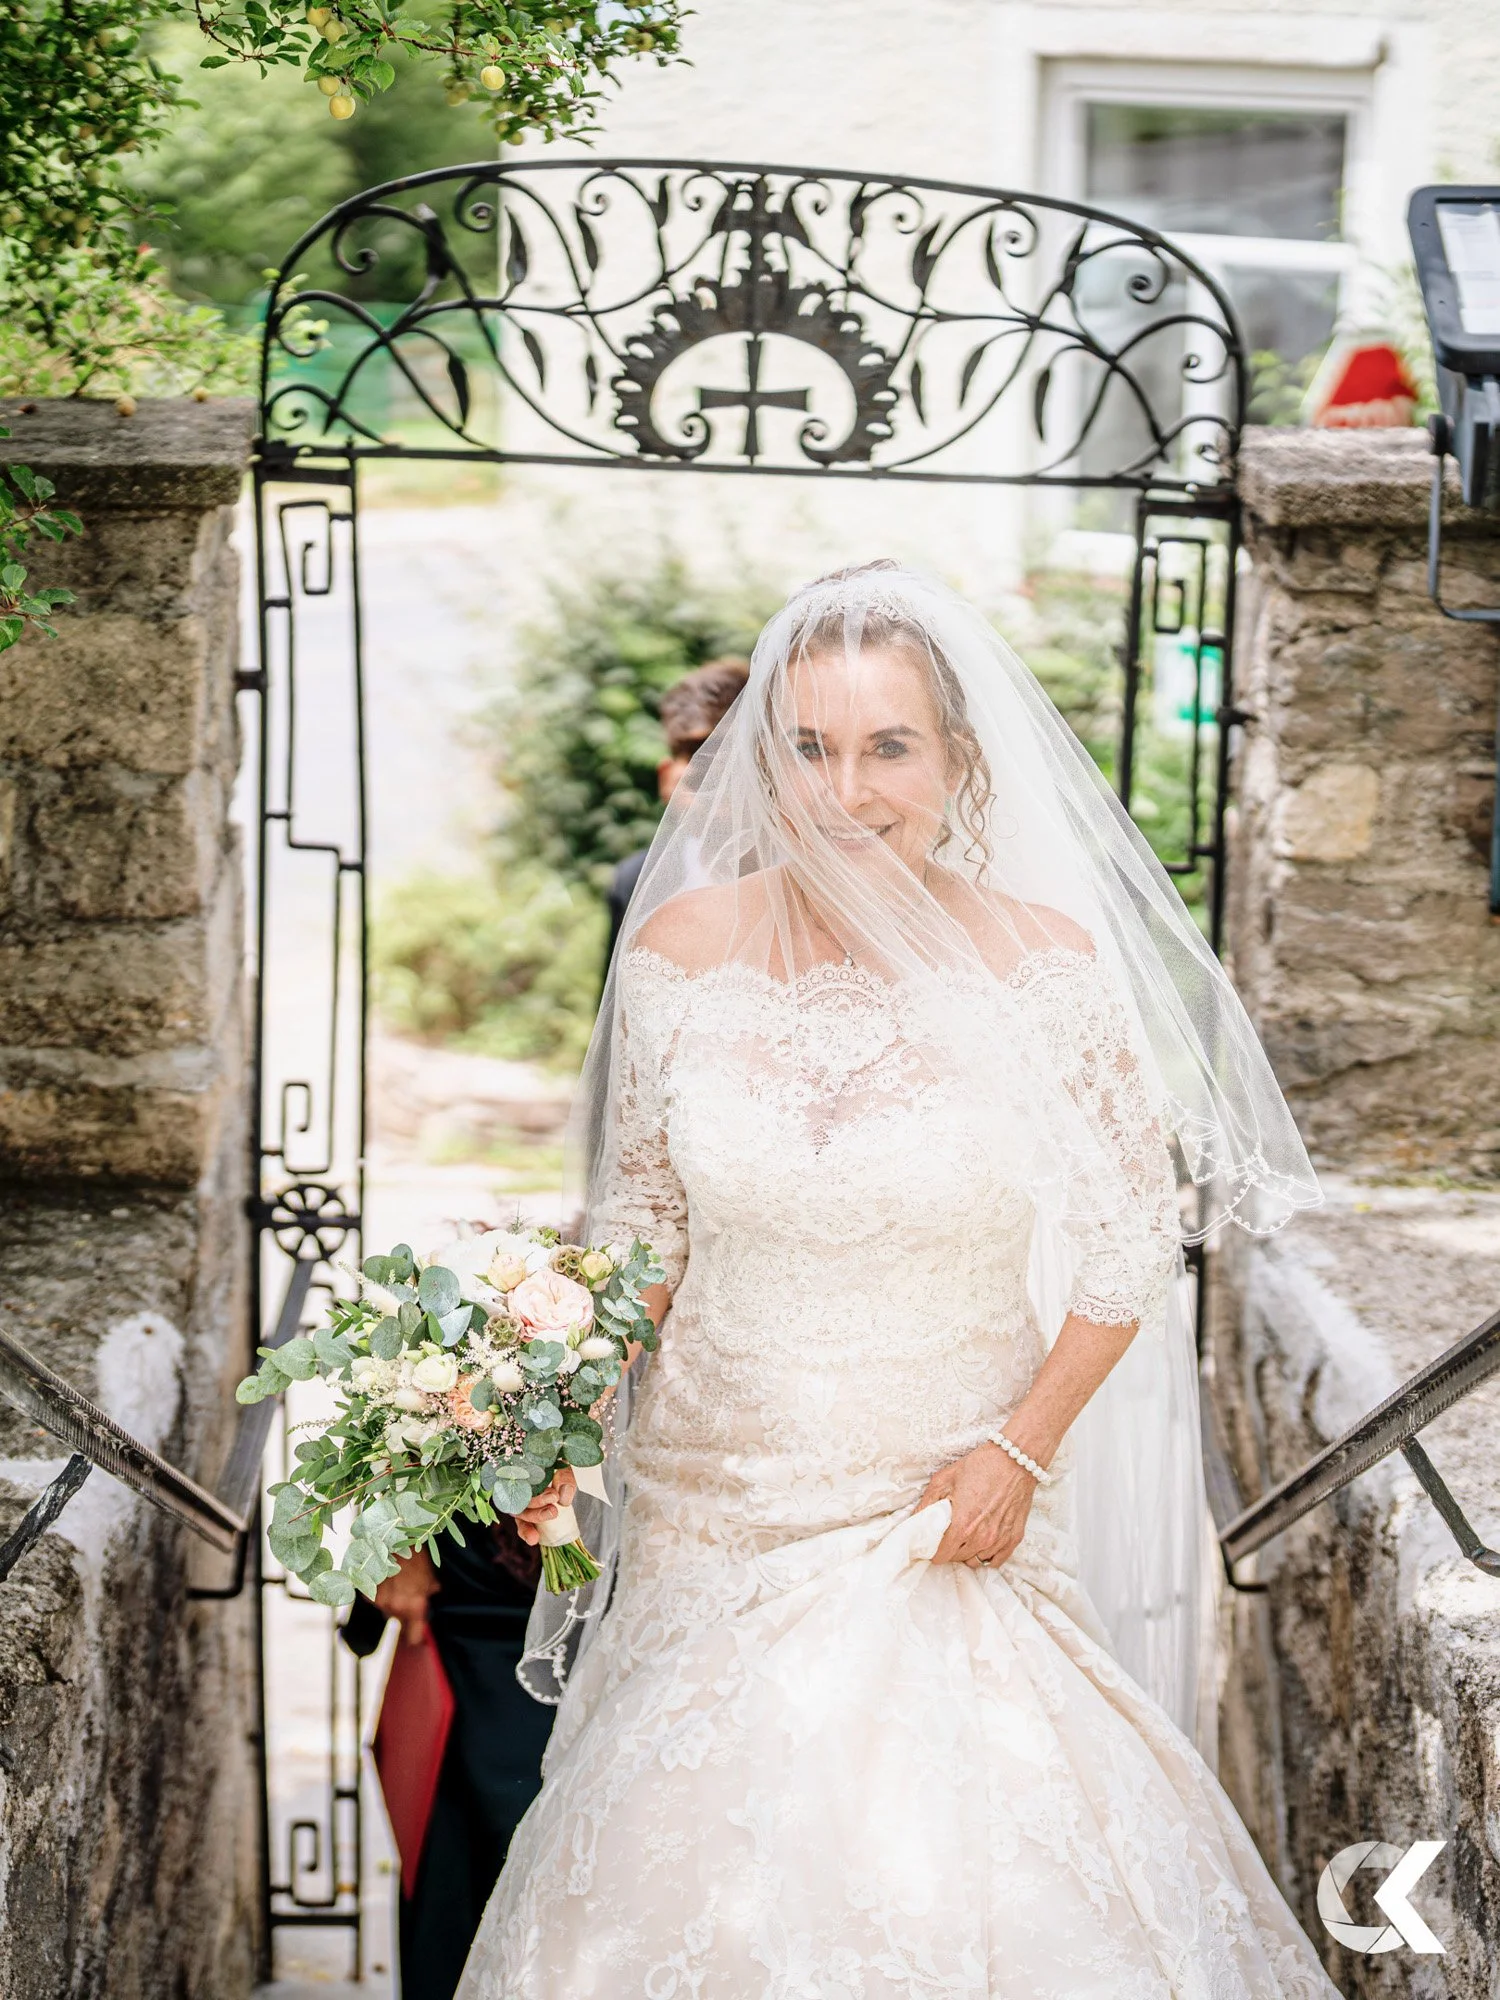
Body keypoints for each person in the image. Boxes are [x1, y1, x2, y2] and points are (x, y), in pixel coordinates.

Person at [457, 564, 1337, 1999]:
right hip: (710, 1513)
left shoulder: (1044, 966)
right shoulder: (682, 950)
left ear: (959, 760)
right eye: (808, 747)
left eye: (888, 748)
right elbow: (646, 1232)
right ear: (763, 758)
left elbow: (1126, 1248)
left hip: (938, 1508)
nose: (845, 789)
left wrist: (1017, 1449)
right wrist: (555, 1411)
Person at [343, 1516, 553, 2000]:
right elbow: (391, 1448)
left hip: (606, 1632)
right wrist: (400, 1536)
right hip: (466, 1620)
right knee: (457, 1866)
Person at [604, 656, 749, 968]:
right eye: (701, 776)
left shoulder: (807, 875)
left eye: (731, 776)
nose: (716, 798)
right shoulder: (633, 882)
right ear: (666, 777)